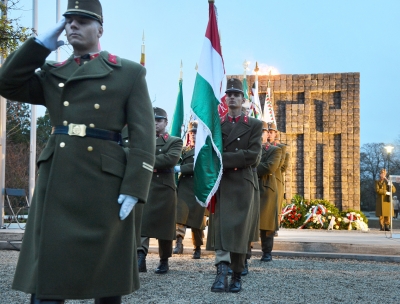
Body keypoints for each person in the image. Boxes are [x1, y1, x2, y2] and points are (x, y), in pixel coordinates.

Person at [0, 1, 155, 303]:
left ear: (100, 29)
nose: (73, 25)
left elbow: (143, 135)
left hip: (105, 183)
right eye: (69, 20)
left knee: (107, 275)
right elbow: (7, 82)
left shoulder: (128, 73)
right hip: (59, 178)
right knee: (48, 271)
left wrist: (136, 186)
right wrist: (38, 46)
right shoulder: (53, 72)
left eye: (83, 21)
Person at [206, 78, 262, 293]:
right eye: (228, 94)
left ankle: (237, 275)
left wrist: (222, 158)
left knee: (239, 232)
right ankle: (221, 273)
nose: (231, 97)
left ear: (243, 99)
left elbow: (253, 156)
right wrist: (226, 158)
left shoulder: (255, 125)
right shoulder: (216, 126)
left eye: (236, 94)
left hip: (243, 185)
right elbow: (209, 154)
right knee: (220, 230)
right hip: (221, 183)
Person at [137, 107, 183, 274]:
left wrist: (144, 160)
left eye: (159, 120)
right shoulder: (143, 139)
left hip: (165, 187)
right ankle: (140, 256)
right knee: (142, 223)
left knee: (165, 229)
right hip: (146, 185)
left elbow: (170, 160)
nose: (156, 122)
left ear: (166, 122)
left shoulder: (174, 141)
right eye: (153, 119)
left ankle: (164, 260)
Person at [174, 121, 208, 259]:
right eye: (191, 133)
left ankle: (197, 247)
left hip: (198, 186)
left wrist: (180, 168)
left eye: (196, 132)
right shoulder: (184, 150)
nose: (193, 135)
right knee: (180, 216)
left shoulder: (204, 149)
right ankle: (178, 243)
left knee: (197, 219)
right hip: (184, 186)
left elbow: (199, 166)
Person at [257, 122, 282, 262]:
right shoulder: (252, 149)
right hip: (251, 187)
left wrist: (253, 168)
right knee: (250, 223)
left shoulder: (274, 150)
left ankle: (267, 252)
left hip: (267, 189)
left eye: (263, 132)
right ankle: (245, 253)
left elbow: (270, 167)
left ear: (268, 134)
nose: (261, 134)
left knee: (267, 225)